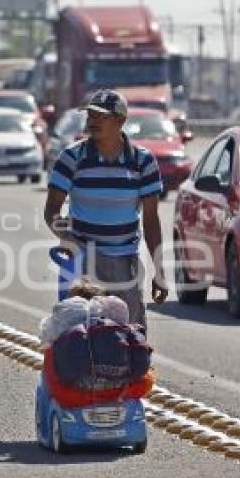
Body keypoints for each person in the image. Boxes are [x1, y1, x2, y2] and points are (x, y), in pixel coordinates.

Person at [44, 89, 168, 327]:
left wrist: (159, 271)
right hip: (81, 258)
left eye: (101, 116)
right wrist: (63, 233)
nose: (93, 122)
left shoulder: (143, 161)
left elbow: (151, 220)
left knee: (129, 332)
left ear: (121, 121)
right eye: (90, 115)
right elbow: (51, 210)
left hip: (124, 261)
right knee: (80, 331)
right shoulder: (72, 158)